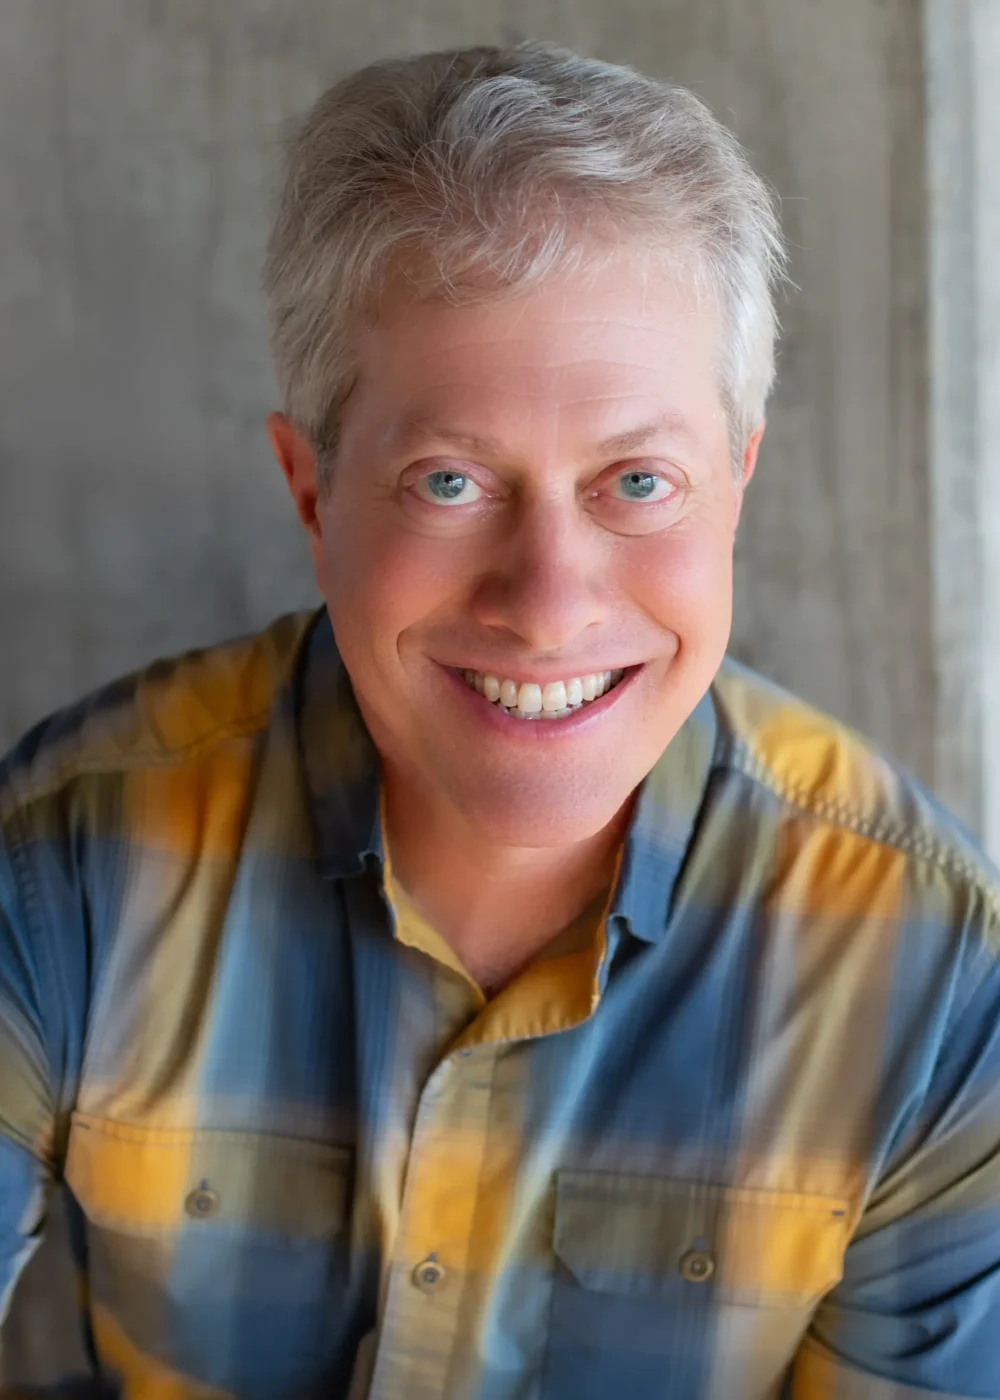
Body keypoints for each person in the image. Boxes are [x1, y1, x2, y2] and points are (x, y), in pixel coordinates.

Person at [0, 40, 998, 1400]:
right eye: (451, 483)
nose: (546, 604)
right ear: (311, 491)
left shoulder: (931, 975)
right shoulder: (64, 862)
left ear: (738, 482)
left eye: (637, 481)